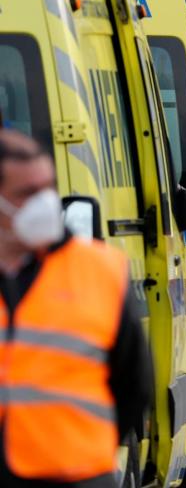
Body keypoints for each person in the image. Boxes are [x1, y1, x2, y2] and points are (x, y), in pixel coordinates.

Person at [0, 130, 153, 488]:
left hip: (77, 475)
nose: (44, 204)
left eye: (47, 189)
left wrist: (86, 449)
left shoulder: (99, 270)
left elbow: (135, 383)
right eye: (28, 193)